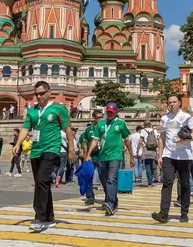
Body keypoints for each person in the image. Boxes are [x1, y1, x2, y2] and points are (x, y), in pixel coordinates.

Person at [12, 81, 73, 232]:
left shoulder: (58, 109)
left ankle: (39, 217)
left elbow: (68, 129)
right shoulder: (32, 111)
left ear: (48, 93)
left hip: (51, 149)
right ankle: (49, 217)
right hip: (36, 151)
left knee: (41, 181)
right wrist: (18, 144)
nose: (39, 96)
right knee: (43, 184)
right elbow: (25, 129)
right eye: (36, 94)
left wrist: (71, 149)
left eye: (41, 93)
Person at [151, 95, 193, 223]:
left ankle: (184, 212)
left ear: (179, 103)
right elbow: (162, 137)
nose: (172, 104)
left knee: (184, 184)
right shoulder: (164, 119)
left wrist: (185, 137)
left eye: (174, 101)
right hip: (168, 155)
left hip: (184, 155)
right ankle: (163, 214)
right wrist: (160, 155)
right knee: (167, 182)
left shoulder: (187, 117)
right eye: (169, 102)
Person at [85, 102, 133, 216]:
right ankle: (114, 201)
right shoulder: (100, 124)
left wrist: (131, 156)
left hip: (115, 156)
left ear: (115, 112)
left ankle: (110, 204)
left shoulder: (121, 123)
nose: (109, 114)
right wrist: (88, 154)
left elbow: (127, 141)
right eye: (108, 112)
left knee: (111, 179)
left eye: (112, 112)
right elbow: (95, 140)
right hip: (102, 156)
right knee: (104, 180)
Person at [80, 109, 103, 204]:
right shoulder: (88, 130)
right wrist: (86, 156)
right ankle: (90, 197)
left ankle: (108, 198)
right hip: (91, 156)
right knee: (88, 176)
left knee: (104, 177)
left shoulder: (105, 128)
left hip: (102, 156)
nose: (100, 119)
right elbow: (85, 143)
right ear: (94, 118)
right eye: (98, 118)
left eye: (102, 117)